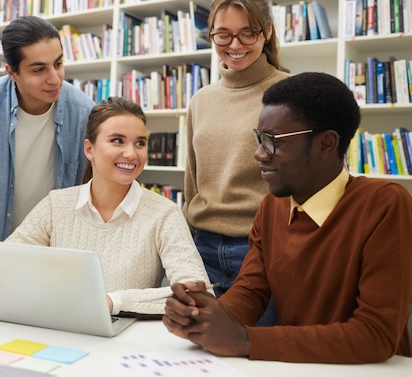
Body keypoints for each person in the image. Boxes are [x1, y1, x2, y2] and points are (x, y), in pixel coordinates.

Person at [163, 72, 412, 363]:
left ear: (325, 144)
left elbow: (375, 336)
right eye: (259, 139)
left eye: (271, 141)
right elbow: (251, 292)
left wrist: (245, 340)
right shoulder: (271, 207)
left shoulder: (384, 203)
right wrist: (203, 315)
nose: (258, 154)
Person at [5, 96, 214, 315]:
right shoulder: (55, 205)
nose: (131, 154)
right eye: (117, 140)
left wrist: (114, 302)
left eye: (140, 143)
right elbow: (4, 266)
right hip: (60, 327)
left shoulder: (164, 213)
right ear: (89, 149)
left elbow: (198, 295)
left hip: (125, 339)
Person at [0, 15, 95, 287]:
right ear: (12, 72)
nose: (54, 78)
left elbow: (91, 191)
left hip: (54, 257)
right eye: (38, 70)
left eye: (58, 64)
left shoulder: (85, 113)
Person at [183, 0, 290, 324]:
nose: (235, 45)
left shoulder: (291, 93)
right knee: (199, 356)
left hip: (264, 249)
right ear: (211, 35)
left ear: (267, 31)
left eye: (247, 33)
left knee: (256, 359)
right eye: (223, 35)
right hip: (203, 251)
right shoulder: (201, 100)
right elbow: (192, 181)